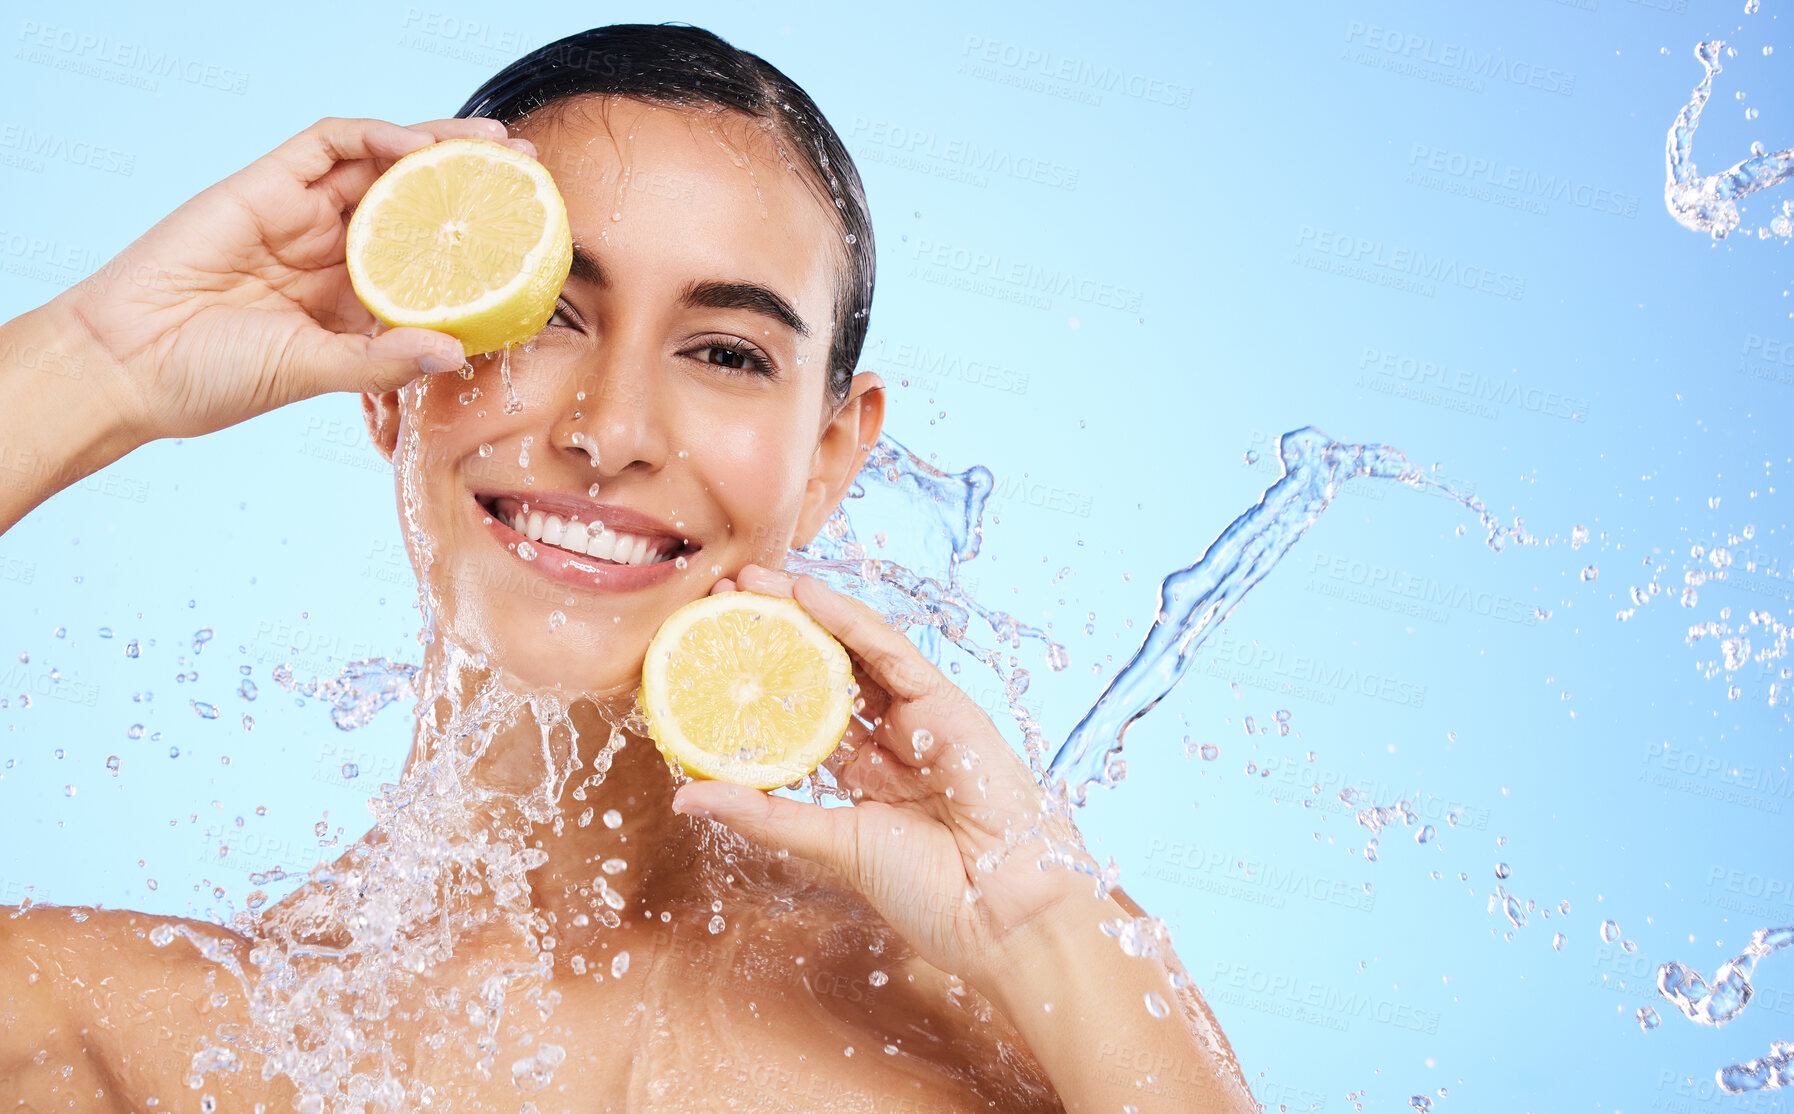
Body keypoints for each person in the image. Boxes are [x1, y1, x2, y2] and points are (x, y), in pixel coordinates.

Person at [0, 23, 1252, 1113]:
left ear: (828, 459)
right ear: (391, 377)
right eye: (546, 314)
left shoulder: (1031, 1025)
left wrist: (1045, 929)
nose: (610, 429)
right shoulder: (170, 1037)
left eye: (726, 354)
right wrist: (97, 365)